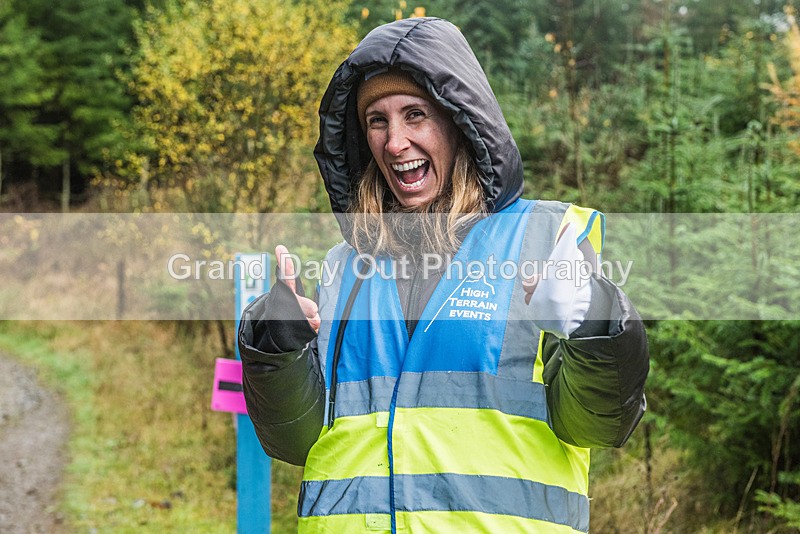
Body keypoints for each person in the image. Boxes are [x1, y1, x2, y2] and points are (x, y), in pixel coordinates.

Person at [238, 17, 649, 533]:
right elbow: (294, 442)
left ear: (460, 123)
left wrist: (596, 324)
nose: (395, 141)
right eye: (376, 120)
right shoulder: (346, 265)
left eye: (416, 115)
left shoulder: (546, 240)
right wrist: (276, 350)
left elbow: (599, 422)